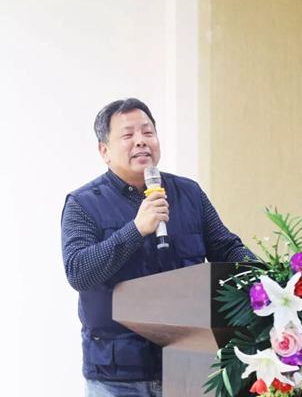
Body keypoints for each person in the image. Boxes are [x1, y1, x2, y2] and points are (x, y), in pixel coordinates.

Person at [61, 98, 257, 397]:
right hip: (118, 377)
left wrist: (272, 279)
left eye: (148, 132)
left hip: (189, 364)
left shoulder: (188, 193)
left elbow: (227, 249)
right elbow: (79, 272)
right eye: (128, 135)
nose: (141, 141)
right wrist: (136, 229)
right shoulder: (83, 203)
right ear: (104, 151)